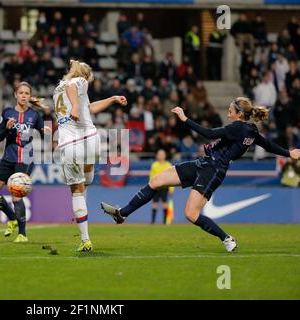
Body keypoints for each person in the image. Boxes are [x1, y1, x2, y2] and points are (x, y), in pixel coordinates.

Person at [101, 97, 300, 252]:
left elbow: (209, 133)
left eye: (231, 108)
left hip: (213, 170)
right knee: (157, 180)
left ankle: (227, 238)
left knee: (190, 214)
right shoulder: (250, 131)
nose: (228, 110)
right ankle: (122, 214)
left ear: (239, 113)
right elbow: (268, 145)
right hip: (204, 163)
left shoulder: (238, 127)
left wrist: (184, 118)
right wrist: (289, 153)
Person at [52, 60, 127, 252]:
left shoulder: (58, 88)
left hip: (70, 143)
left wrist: (110, 99)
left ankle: (85, 238)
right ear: (85, 75)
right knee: (86, 182)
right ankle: (81, 210)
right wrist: (76, 106)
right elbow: (74, 87)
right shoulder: (80, 81)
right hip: (91, 139)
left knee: (77, 191)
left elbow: (89, 107)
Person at [0, 82, 48, 243]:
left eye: (27, 93)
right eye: (21, 93)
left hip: (25, 160)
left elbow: (44, 132)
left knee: (16, 196)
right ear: (15, 95)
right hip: (8, 158)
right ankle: (12, 217)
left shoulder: (34, 116)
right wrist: (6, 128)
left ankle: (22, 234)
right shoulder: (7, 112)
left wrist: (46, 131)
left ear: (29, 96)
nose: (24, 96)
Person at [150, 149, 172, 224]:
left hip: (165, 187)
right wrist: (151, 186)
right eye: (159, 154)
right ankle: (153, 221)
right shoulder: (154, 165)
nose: (161, 156)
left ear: (165, 156)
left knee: (165, 204)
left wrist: (171, 189)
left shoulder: (168, 165)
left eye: (162, 154)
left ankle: (165, 221)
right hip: (156, 187)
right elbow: (151, 176)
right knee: (155, 204)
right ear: (157, 156)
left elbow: (171, 178)